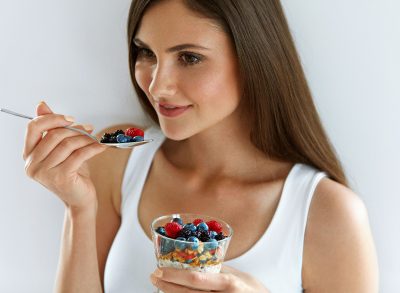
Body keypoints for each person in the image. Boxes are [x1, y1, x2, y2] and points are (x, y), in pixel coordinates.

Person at [23, 0, 379, 292]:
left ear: (254, 59)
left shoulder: (327, 213)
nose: (158, 86)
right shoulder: (118, 160)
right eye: (146, 53)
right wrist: (79, 209)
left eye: (189, 58)